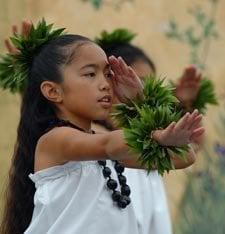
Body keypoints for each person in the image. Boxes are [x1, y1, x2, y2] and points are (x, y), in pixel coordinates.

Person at [0, 23, 204, 234]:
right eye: (90, 74)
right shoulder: (56, 141)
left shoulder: (105, 152)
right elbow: (109, 144)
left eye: (108, 74)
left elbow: (185, 156)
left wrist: (140, 102)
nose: (105, 84)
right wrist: (157, 134)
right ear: (53, 91)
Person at [94, 28, 203, 234]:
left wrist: (182, 106)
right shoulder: (88, 138)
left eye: (147, 88)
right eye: (135, 82)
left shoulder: (143, 148)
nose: (139, 93)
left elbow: (190, 151)